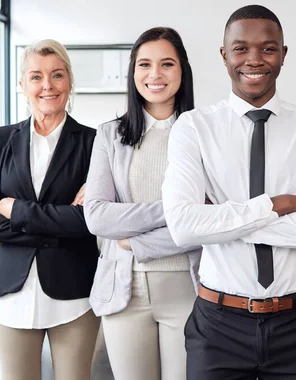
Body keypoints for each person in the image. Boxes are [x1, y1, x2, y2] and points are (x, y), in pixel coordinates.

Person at [161, 4, 296, 380]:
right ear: (224, 54)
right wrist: (278, 206)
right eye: (241, 48)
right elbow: (182, 227)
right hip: (218, 325)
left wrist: (221, 218)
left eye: (268, 48)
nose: (254, 59)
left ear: (283, 54)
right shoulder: (193, 127)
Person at [0, 39, 99, 380]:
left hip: (74, 291)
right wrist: (59, 222)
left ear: (69, 81)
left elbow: (90, 221)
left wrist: (16, 209)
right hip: (9, 292)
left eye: (57, 75)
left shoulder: (94, 143)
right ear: (22, 84)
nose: (47, 85)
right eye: (36, 76)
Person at [83, 27, 200, 380]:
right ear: (133, 72)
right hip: (124, 290)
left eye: (167, 64)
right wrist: (177, 209)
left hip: (189, 288)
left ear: (182, 71)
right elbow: (98, 217)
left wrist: (137, 241)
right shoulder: (109, 135)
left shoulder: (204, 133)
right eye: (144, 64)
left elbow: (212, 224)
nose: (155, 75)